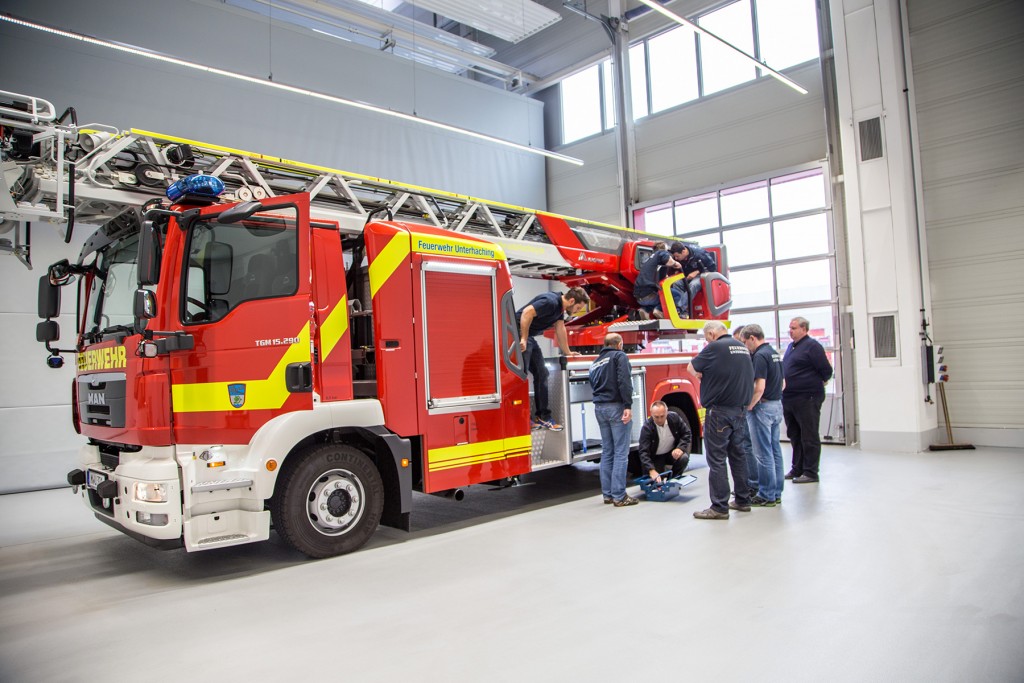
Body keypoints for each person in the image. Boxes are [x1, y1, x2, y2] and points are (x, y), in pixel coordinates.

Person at [687, 321, 754, 519]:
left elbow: (691, 367)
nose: (707, 341)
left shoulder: (715, 347)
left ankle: (719, 507)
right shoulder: (741, 347)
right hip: (740, 411)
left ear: (711, 333)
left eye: (707, 337)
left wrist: (701, 377)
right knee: (738, 456)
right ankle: (743, 500)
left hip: (719, 412)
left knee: (716, 459)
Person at [517, 287, 590, 431]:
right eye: (578, 307)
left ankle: (542, 417)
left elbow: (560, 329)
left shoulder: (559, 310)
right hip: (517, 332)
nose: (576, 311)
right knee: (520, 376)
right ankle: (521, 418)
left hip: (528, 336)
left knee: (542, 372)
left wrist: (568, 352)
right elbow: (526, 313)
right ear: (572, 300)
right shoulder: (550, 302)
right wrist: (523, 338)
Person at [782, 317, 834, 483]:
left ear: (804, 329)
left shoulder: (812, 346)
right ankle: (797, 468)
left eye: (794, 328)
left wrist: (819, 381)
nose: (791, 331)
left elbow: (826, 370)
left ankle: (811, 472)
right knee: (795, 435)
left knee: (809, 435)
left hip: (807, 397)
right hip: (790, 398)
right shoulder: (792, 346)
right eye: (790, 328)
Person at [589, 333, 638, 507]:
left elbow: (593, 384)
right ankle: (619, 496)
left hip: (599, 408)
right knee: (621, 452)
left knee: (607, 451)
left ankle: (608, 495)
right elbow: (624, 380)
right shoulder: (619, 356)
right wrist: (627, 405)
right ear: (619, 344)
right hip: (616, 406)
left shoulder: (596, 362)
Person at [742, 324, 784, 506]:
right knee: (775, 450)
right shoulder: (774, 353)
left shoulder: (759, 356)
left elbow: (759, 387)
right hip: (776, 405)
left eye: (745, 342)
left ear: (752, 338)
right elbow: (783, 383)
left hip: (762, 407)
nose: (745, 346)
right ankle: (776, 492)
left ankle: (766, 494)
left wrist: (750, 405)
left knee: (762, 453)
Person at [636, 401, 692, 484]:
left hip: (670, 453)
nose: (659, 420)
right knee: (656, 482)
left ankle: (673, 481)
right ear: (651, 414)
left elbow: (687, 433)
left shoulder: (674, 418)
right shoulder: (647, 427)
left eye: (662, 416)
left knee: (684, 458)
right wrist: (651, 470)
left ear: (667, 412)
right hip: (655, 456)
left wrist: (680, 448)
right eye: (656, 417)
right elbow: (643, 452)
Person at [633, 242, 684, 318]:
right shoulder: (661, 252)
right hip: (649, 295)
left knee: (658, 294)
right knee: (677, 295)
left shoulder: (649, 259)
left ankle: (645, 310)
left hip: (639, 297)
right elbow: (668, 261)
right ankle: (659, 310)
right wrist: (676, 263)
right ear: (664, 248)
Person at [675, 242, 718, 315]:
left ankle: (679, 309)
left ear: (683, 252)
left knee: (693, 285)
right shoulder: (680, 257)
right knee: (676, 283)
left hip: (701, 275)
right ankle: (684, 310)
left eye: (677, 256)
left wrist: (697, 272)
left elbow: (712, 268)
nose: (676, 258)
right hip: (688, 276)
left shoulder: (700, 254)